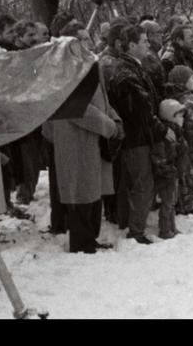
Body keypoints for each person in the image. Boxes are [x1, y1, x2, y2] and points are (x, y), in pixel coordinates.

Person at [42, 54, 120, 253]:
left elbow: (102, 103)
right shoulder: (69, 79)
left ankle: (89, 239)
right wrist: (110, 126)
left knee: (90, 193)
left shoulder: (85, 72)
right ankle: (82, 243)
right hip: (76, 145)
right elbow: (81, 110)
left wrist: (114, 118)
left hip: (87, 144)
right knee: (81, 194)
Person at [107, 25, 171, 244]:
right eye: (144, 41)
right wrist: (161, 130)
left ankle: (130, 223)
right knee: (142, 184)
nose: (148, 44)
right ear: (132, 45)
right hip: (136, 137)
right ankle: (136, 230)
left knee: (137, 182)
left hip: (137, 135)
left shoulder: (132, 68)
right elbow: (142, 110)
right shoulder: (127, 73)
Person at [164, 65, 193, 214]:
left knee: (179, 173)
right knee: (188, 173)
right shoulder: (189, 100)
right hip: (188, 143)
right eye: (191, 78)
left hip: (175, 142)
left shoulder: (170, 96)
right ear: (183, 81)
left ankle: (180, 202)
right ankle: (185, 205)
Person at [154, 100, 186, 239]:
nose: (182, 118)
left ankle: (172, 226)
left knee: (171, 201)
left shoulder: (176, 131)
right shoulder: (167, 134)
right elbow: (160, 155)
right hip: (167, 173)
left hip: (173, 171)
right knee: (167, 202)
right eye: (179, 115)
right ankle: (165, 229)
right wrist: (166, 169)